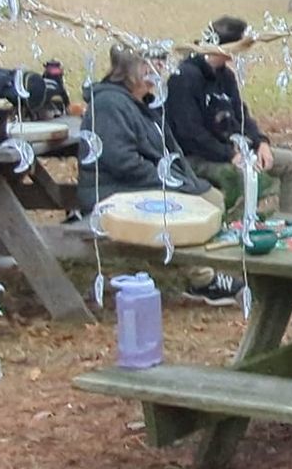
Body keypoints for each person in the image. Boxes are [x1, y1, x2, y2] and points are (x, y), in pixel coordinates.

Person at [79, 47, 242, 306]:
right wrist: (170, 183)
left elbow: (167, 151)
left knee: (211, 198)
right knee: (205, 203)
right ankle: (202, 280)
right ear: (129, 70)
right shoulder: (109, 104)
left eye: (160, 63)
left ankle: (207, 270)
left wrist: (185, 182)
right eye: (149, 65)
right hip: (114, 193)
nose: (157, 70)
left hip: (138, 186)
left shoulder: (141, 103)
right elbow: (121, 160)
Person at [164, 15, 292, 217]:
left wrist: (260, 142)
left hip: (231, 150)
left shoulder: (226, 76)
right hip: (197, 156)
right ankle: (238, 226)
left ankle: (291, 221)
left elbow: (241, 117)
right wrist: (230, 155)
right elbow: (190, 134)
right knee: (247, 173)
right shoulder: (185, 77)